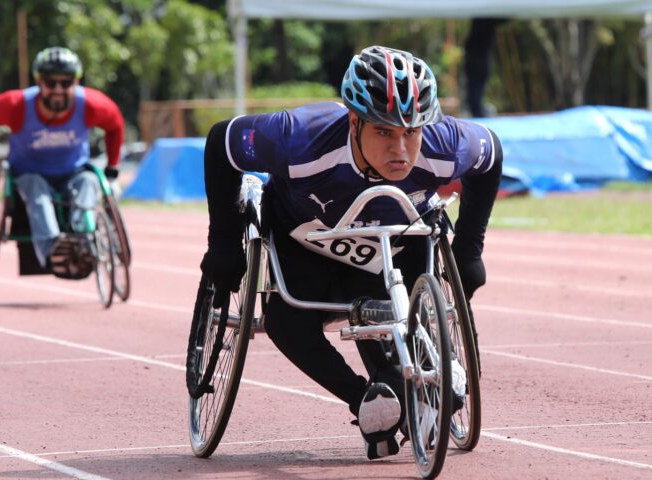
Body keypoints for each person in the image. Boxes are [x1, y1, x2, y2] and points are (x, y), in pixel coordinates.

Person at [199, 46, 503, 460]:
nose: (401, 149)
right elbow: (221, 142)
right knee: (285, 321)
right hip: (307, 242)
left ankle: (407, 383)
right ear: (354, 121)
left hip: (397, 238)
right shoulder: (296, 137)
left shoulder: (446, 144)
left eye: (411, 132)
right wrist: (223, 245)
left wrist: (469, 250)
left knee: (391, 315)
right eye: (384, 132)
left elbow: (492, 155)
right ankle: (364, 400)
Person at [0, 46, 124, 271]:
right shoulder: (17, 105)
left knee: (90, 182)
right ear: (39, 82)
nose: (58, 90)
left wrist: (112, 174)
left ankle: (82, 240)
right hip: (29, 174)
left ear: (77, 82)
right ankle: (54, 250)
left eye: (67, 83)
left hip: (73, 172)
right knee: (36, 188)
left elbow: (116, 126)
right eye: (51, 83)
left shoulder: (91, 105)